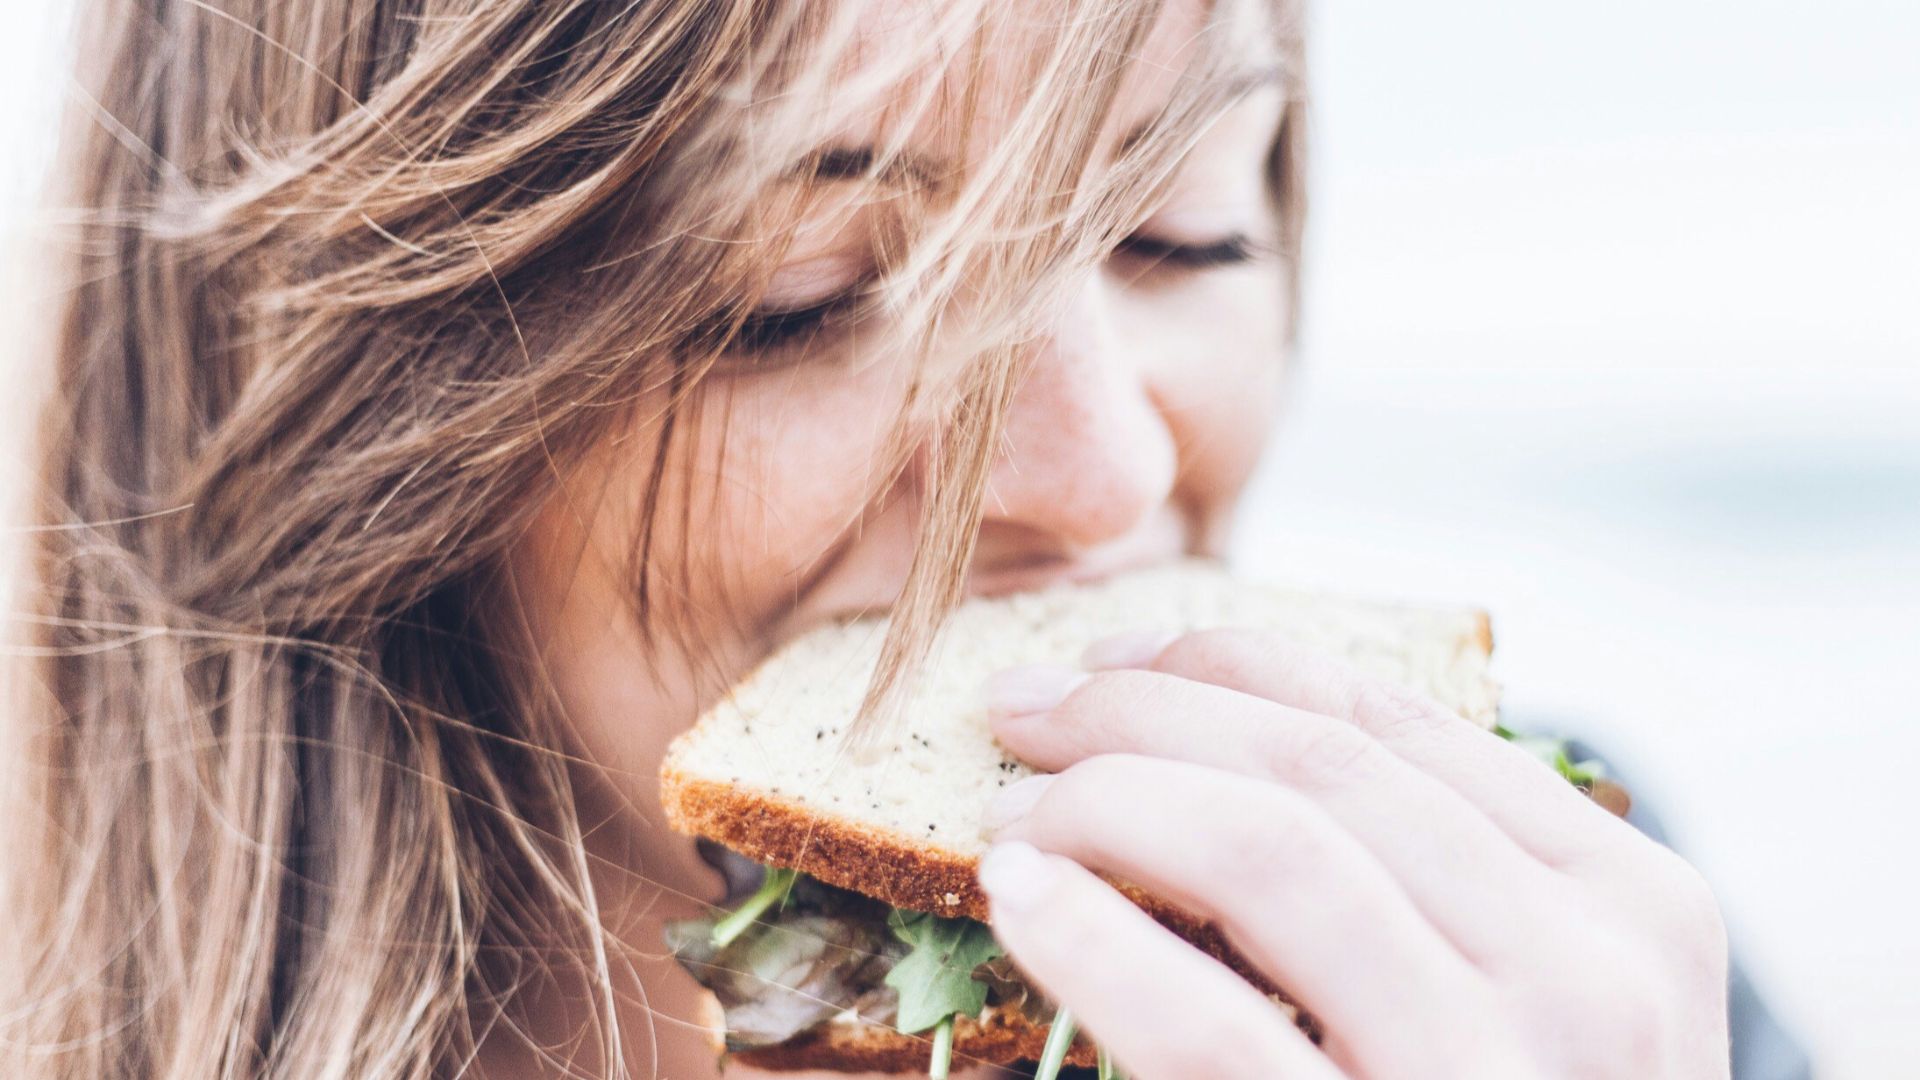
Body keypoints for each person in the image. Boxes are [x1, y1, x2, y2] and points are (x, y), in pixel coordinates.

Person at [0, 0, 1777, 1076]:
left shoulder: (1556, 966)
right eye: (803, 299)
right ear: (349, 411)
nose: (1099, 473)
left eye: (1185, 235)